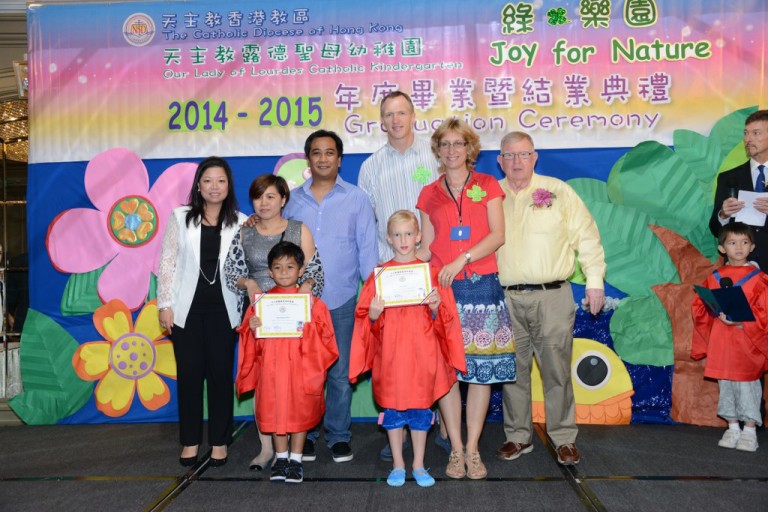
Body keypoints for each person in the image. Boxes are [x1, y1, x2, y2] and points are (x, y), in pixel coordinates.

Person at [495, 131, 606, 466]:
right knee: (512, 372)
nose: (516, 161)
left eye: (523, 154)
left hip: (553, 295)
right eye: (509, 155)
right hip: (505, 298)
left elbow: (586, 236)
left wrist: (595, 281)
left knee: (556, 370)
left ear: (535, 157)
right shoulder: (491, 195)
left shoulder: (559, 191)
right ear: (499, 160)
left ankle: (564, 438)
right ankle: (518, 436)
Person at [416, 118, 515, 480]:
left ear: (470, 149)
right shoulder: (428, 193)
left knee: (480, 373)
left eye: (458, 143)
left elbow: (498, 235)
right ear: (437, 150)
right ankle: (455, 449)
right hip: (443, 291)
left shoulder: (487, 185)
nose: (452, 150)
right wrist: (396, 270)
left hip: (482, 287)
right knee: (448, 373)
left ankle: (473, 448)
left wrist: (463, 258)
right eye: (445, 144)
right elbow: (426, 247)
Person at [357, 90, 448, 460]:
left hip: (430, 269)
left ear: (413, 116)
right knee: (395, 358)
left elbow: (446, 206)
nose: (396, 120)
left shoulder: (434, 156)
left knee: (434, 352)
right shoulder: (371, 167)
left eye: (402, 113)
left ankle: (443, 426)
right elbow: (367, 225)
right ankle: (398, 430)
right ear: (382, 121)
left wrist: (429, 256)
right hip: (391, 277)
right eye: (389, 114)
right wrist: (375, 275)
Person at [349, 210, 466, 487]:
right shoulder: (378, 276)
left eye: (409, 234)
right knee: (392, 408)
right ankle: (399, 464)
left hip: (423, 354)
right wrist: (373, 316)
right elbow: (366, 321)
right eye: (397, 235)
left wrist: (436, 309)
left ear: (419, 236)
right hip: (391, 355)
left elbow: (447, 320)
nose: (403, 240)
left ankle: (418, 464)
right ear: (388, 238)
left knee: (421, 408)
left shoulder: (431, 274)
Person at [284, 129, 378, 463]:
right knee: (306, 372)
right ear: (308, 159)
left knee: (339, 372)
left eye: (329, 153)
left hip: (342, 298)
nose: (323, 158)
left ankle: (338, 435)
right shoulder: (291, 200)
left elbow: (367, 249)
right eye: (316, 152)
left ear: (339, 159)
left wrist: (374, 294)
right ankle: (306, 434)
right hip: (301, 302)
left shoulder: (357, 198)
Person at [224, 174, 325, 470]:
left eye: (270, 196)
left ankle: (294, 448)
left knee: (295, 380)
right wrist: (249, 283)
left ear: (283, 199)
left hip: (295, 319)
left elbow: (316, 271)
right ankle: (267, 448)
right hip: (261, 319)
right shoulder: (245, 233)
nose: (264, 203)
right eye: (258, 197)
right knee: (264, 380)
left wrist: (306, 288)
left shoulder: (298, 229)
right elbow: (231, 272)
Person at [157, 156, 248, 467]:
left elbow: (246, 267)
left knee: (221, 376)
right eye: (208, 180)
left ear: (228, 185)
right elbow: (167, 261)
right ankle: (190, 441)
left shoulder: (241, 221)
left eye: (221, 181)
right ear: (198, 185)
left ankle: (220, 441)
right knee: (190, 376)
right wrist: (164, 305)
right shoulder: (180, 217)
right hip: (185, 311)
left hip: (225, 311)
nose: (214, 186)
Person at [236, 241, 339, 483]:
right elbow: (251, 341)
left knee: (299, 413)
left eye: (290, 267)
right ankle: (281, 458)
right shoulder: (262, 303)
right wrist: (252, 328)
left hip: (300, 368)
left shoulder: (311, 303)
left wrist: (310, 325)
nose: (284, 272)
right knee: (275, 412)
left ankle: (296, 460)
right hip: (272, 369)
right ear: (270, 272)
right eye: (278, 267)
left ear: (301, 270)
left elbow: (326, 338)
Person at [692, 222, 768, 452]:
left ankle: (749, 430)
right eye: (732, 242)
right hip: (722, 341)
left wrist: (742, 319)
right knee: (726, 386)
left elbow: (765, 310)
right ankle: (732, 427)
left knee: (747, 386)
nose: (739, 247)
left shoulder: (759, 278)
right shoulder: (714, 277)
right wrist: (710, 306)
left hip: (746, 341)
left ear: (752, 247)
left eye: (744, 242)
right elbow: (700, 307)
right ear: (722, 248)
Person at [709, 110, 768, 270]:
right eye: (746, 133)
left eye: (756, 133)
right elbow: (715, 229)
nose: (748, 139)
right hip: (740, 269)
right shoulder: (728, 177)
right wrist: (723, 215)